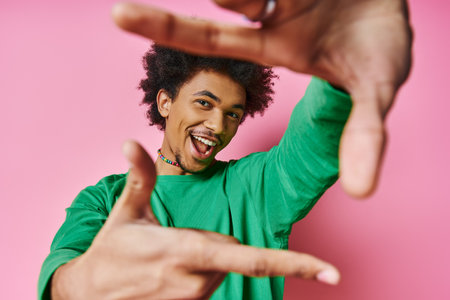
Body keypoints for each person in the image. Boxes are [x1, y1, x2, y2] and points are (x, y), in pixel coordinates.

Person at [38, 0, 413, 299]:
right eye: (204, 103)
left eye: (232, 114)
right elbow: (63, 273)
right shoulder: (105, 200)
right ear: (166, 102)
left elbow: (311, 143)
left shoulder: (255, 189)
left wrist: (339, 69)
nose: (218, 126)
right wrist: (82, 286)